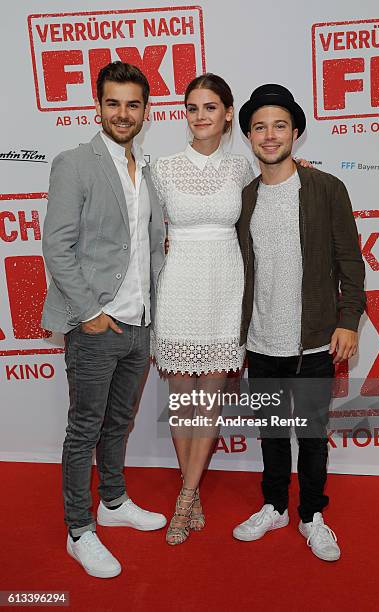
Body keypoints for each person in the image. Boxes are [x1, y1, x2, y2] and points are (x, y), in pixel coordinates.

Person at [41, 61, 167, 578]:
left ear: (145, 111)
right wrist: (90, 313)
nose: (122, 113)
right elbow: (56, 244)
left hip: (139, 323)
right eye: (112, 103)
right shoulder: (75, 162)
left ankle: (113, 504)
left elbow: (149, 247)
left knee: (119, 423)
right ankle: (79, 529)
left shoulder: (149, 170)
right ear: (97, 106)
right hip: (96, 324)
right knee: (84, 429)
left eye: (132, 104)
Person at [232, 84, 366, 561]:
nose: (270, 135)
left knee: (310, 434)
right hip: (261, 342)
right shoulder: (243, 198)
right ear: (249, 135)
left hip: (313, 343)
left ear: (296, 133)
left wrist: (348, 320)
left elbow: (351, 263)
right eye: (260, 127)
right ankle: (274, 506)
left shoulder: (327, 189)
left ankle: (311, 515)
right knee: (271, 431)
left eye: (280, 126)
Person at [150, 73, 255, 544]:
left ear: (228, 113)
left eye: (210, 107)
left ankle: (186, 495)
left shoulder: (244, 169)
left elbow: (262, 217)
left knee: (208, 400)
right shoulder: (164, 168)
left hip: (227, 286)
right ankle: (188, 490)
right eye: (192, 108)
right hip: (179, 284)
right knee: (182, 401)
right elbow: (148, 236)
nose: (200, 116)